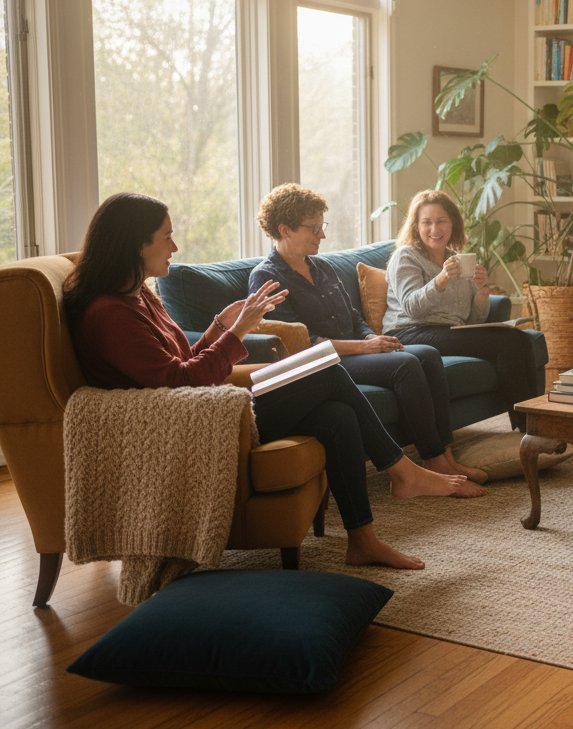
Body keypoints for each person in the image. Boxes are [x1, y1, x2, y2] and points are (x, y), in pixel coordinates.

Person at [65, 192, 467, 571]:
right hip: (195, 424)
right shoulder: (109, 314)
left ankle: (362, 540)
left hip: (207, 405)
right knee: (325, 367)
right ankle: (402, 472)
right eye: (167, 237)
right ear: (136, 244)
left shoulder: (140, 297)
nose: (174, 248)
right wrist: (236, 332)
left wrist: (219, 327)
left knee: (338, 415)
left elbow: (182, 363)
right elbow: (179, 383)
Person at [248, 183, 487, 498]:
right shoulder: (266, 278)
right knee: (404, 365)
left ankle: (446, 459)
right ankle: (431, 463)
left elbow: (353, 316)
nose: (321, 235)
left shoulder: (322, 267)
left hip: (357, 350)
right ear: (285, 229)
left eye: (323, 226)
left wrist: (373, 336)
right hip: (324, 363)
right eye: (314, 228)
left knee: (427, 354)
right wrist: (364, 346)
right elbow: (298, 344)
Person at [383, 189, 542, 432]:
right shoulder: (406, 256)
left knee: (521, 339)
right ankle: (529, 428)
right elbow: (412, 308)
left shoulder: (457, 260)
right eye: (427, 222)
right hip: (408, 332)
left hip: (448, 331)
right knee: (508, 341)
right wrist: (441, 279)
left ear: (453, 224)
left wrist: (481, 293)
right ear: (416, 226)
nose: (434, 229)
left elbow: (472, 319)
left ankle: (536, 420)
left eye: (441, 221)